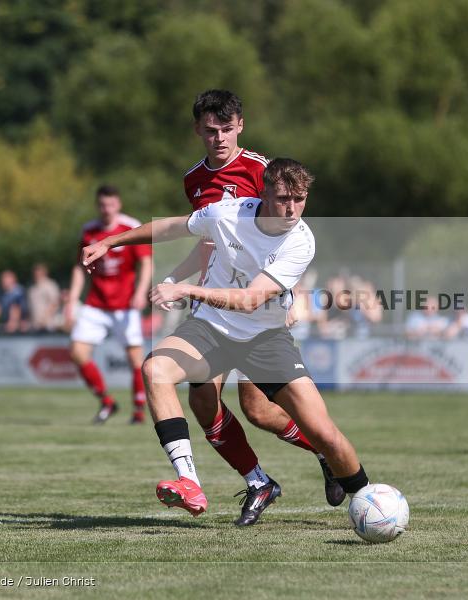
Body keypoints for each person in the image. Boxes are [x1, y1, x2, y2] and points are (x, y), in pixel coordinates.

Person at [81, 158, 371, 524]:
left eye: (300, 199)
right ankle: (191, 482)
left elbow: (251, 300)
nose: (292, 208)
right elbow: (173, 227)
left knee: (322, 432)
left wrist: (186, 288)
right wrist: (111, 242)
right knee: (157, 370)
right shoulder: (227, 213)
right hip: (211, 330)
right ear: (262, 193)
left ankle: (367, 496)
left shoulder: (300, 241)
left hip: (265, 337)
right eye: (283, 198)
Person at [160, 90, 344, 518]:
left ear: (240, 125)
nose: (219, 138)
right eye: (211, 131)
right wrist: (175, 278)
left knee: (259, 410)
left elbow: (289, 235)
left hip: (260, 308)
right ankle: (259, 482)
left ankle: (326, 452)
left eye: (226, 129)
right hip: (215, 305)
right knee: (203, 401)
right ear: (198, 131)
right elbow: (209, 241)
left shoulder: (262, 169)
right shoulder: (194, 180)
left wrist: (287, 296)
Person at [65, 185, 153, 424]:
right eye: (103, 205)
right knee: (77, 352)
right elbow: (79, 267)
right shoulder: (89, 231)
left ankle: (138, 410)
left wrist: (140, 292)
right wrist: (72, 300)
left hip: (125, 305)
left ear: (119, 204)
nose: (107, 209)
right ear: (98, 206)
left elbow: (146, 262)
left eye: (111, 204)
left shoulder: (130, 227)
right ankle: (106, 401)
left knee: (136, 358)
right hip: (96, 304)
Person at [27, 263, 61, 332]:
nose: (37, 274)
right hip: (35, 326)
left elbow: (55, 303)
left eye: (39, 272)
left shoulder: (50, 285)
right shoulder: (32, 289)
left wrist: (44, 319)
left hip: (48, 326)